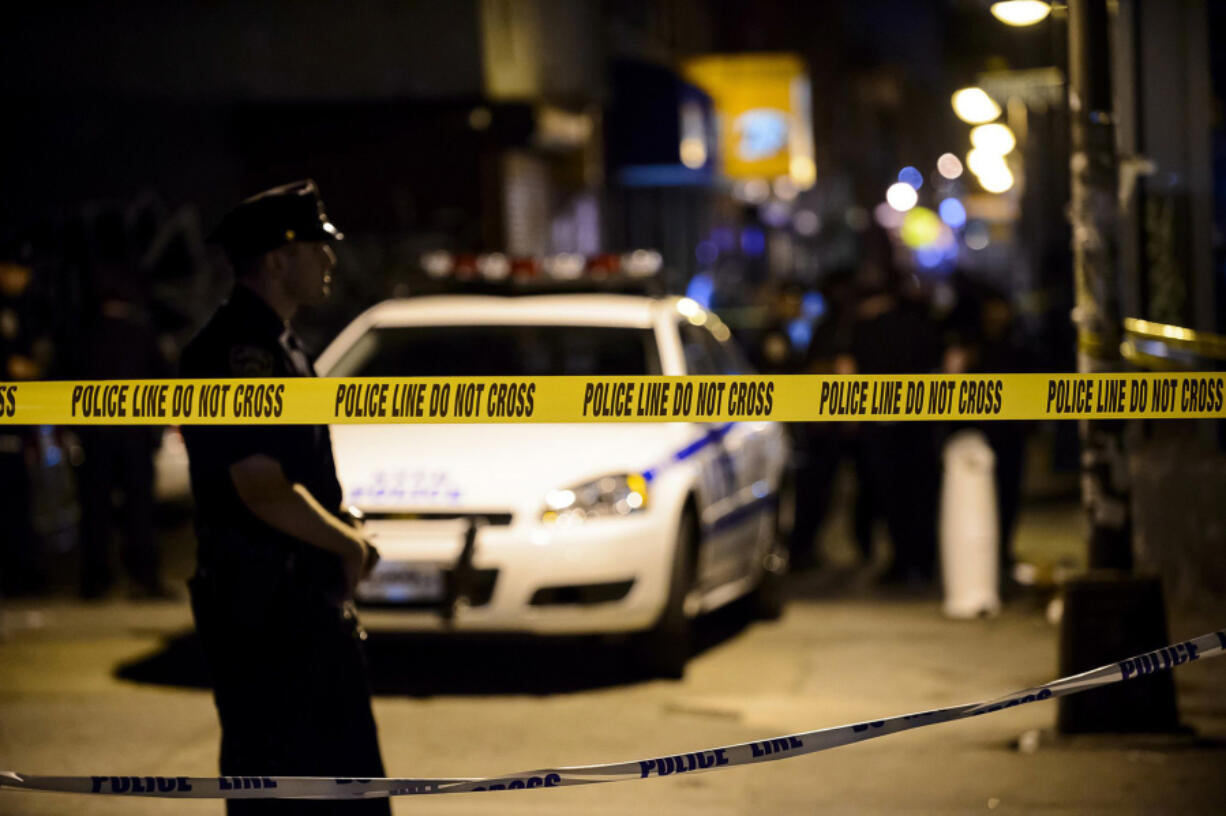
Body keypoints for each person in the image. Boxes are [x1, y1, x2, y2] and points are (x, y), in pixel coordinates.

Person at [180, 180, 388, 815]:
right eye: (315, 249)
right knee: (287, 790)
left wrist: (336, 522)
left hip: (295, 605)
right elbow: (261, 486)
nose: (329, 261)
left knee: (343, 785)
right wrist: (350, 544)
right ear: (276, 260)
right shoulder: (238, 355)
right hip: (267, 612)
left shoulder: (279, 344)